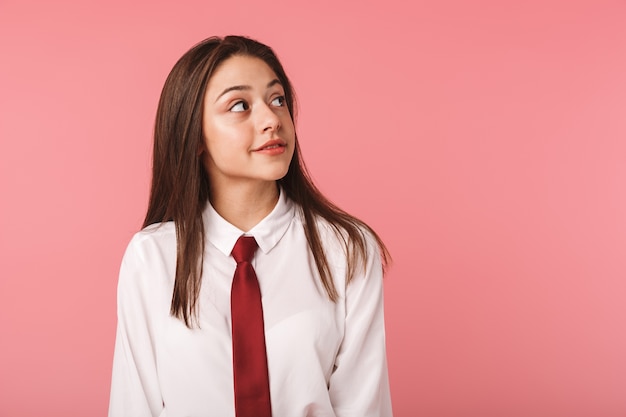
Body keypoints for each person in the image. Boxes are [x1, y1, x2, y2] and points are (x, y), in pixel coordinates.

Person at [108, 35, 392, 417]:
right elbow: (134, 404)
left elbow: (364, 406)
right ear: (195, 138)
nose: (272, 119)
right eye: (240, 105)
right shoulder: (153, 259)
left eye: (278, 100)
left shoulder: (347, 250)